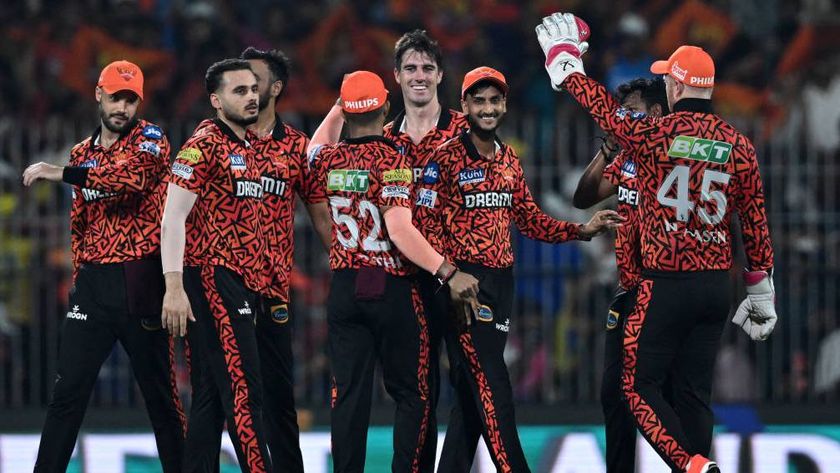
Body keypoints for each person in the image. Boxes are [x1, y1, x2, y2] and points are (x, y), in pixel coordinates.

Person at [536, 13, 778, 473]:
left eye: (669, 79)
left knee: (636, 386)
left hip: (665, 282)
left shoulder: (655, 135)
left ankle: (689, 464)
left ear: (677, 87)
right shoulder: (738, 144)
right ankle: (697, 460)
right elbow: (754, 222)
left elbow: (606, 114)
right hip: (715, 289)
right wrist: (760, 286)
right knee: (692, 392)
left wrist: (566, 66)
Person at [434, 66, 623, 473]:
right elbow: (424, 224)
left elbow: (530, 219)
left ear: (504, 104)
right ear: (464, 105)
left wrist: (582, 230)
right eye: (479, 101)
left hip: (502, 283)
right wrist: (448, 275)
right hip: (466, 285)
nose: (488, 108)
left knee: (471, 399)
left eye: (494, 100)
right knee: (494, 387)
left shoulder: (508, 160)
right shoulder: (445, 158)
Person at [308, 29, 469, 469]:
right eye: (410, 69)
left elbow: (311, 150)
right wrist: (448, 271)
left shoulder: (327, 159)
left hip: (347, 282)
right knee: (413, 392)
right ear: (386, 98)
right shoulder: (393, 156)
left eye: (426, 68)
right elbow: (399, 230)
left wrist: (341, 104)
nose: (419, 76)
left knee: (349, 395)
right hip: (401, 283)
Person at [22, 60, 186, 472]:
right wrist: (81, 280)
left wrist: (60, 172)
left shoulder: (151, 140)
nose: (123, 108)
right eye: (116, 97)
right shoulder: (82, 152)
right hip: (93, 287)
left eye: (131, 100)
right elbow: (80, 224)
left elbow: (128, 178)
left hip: (142, 282)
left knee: (161, 399)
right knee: (66, 396)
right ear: (99, 94)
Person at [160, 58, 271, 473]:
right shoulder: (203, 144)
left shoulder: (248, 144)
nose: (251, 97)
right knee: (245, 391)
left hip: (239, 281)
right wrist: (174, 287)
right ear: (216, 100)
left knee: (210, 394)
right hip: (211, 276)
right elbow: (172, 218)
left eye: (253, 89)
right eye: (239, 91)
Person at [572, 77, 669, 473]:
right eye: (621, 111)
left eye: (631, 111)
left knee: (665, 394)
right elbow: (583, 198)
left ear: (657, 114)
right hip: (628, 290)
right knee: (613, 394)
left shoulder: (665, 154)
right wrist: (608, 148)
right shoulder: (628, 157)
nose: (622, 118)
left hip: (663, 289)